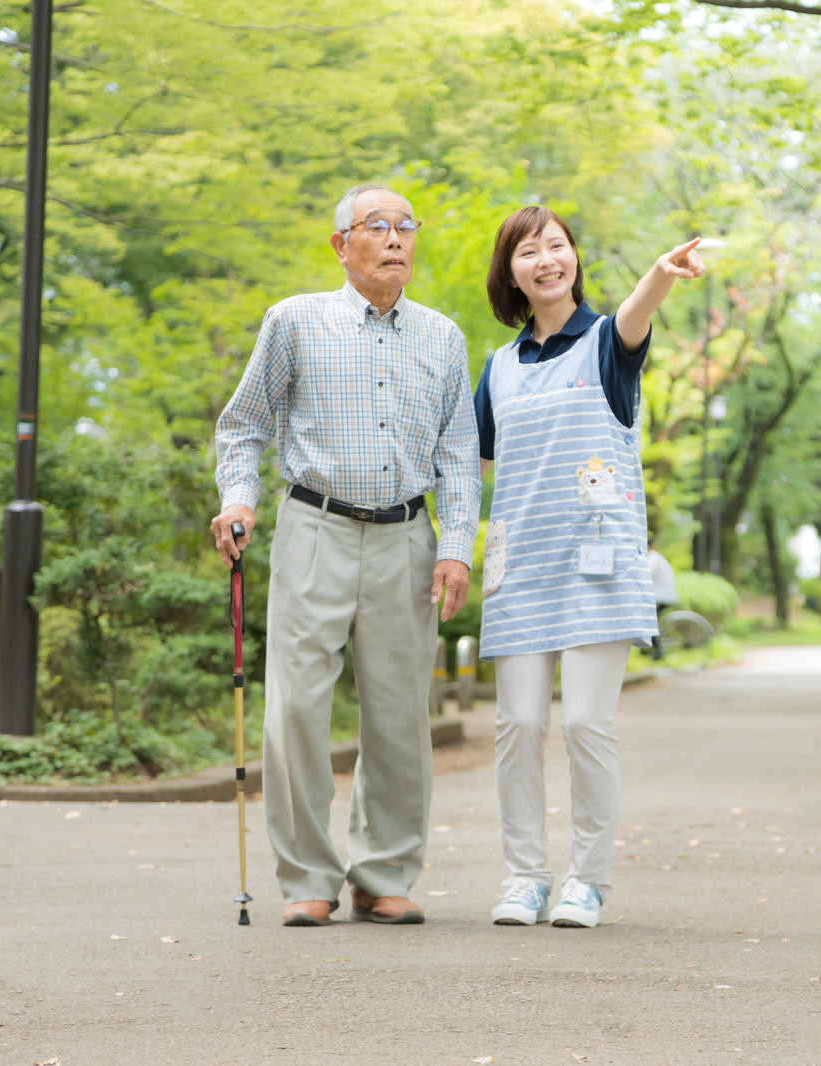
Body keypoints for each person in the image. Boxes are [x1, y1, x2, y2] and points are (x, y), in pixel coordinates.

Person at [210, 183, 479, 927]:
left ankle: (384, 871)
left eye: (405, 227)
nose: (395, 239)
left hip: (407, 537)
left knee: (398, 713)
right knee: (295, 708)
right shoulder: (294, 322)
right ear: (342, 244)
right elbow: (243, 428)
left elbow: (459, 455)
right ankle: (307, 876)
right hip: (314, 528)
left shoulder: (444, 337)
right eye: (377, 226)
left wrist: (455, 548)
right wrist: (240, 499)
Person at [473, 206, 704, 929]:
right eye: (528, 251)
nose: (545, 260)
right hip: (520, 570)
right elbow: (471, 465)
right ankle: (523, 876)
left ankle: (588, 880)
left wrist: (660, 277)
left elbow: (636, 315)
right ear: (509, 271)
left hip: (597, 568)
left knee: (585, 725)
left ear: (574, 258)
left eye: (556, 247)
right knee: (514, 725)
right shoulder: (500, 367)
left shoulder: (608, 341)